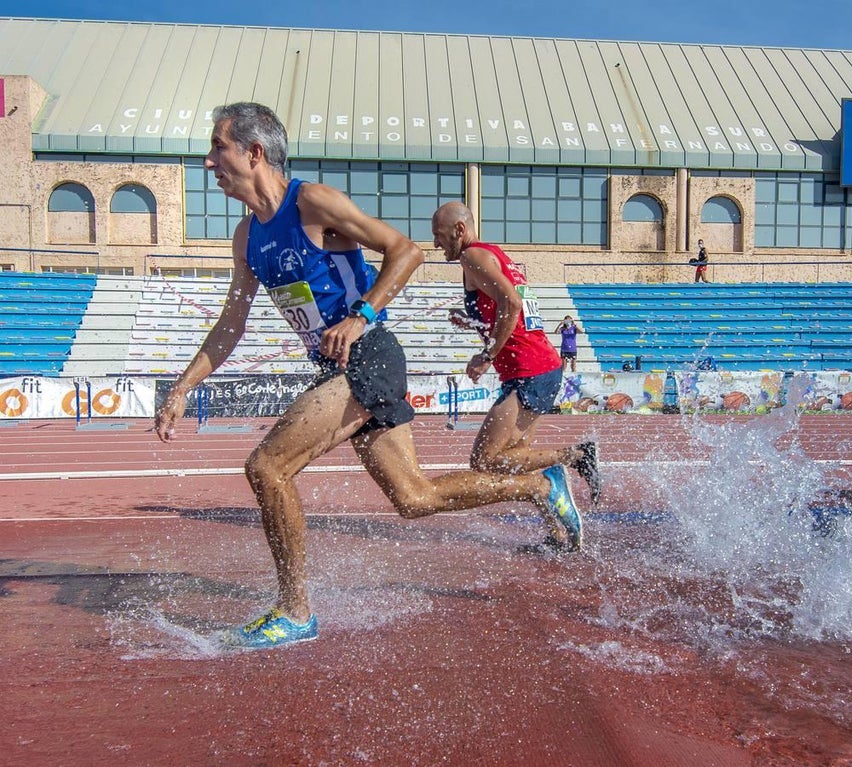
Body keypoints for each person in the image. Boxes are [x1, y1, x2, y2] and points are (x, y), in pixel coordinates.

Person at [153, 103, 583, 650]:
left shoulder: (311, 202)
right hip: (339, 368)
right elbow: (231, 322)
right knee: (415, 498)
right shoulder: (247, 237)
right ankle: (538, 486)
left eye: (218, 147)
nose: (209, 161)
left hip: (370, 356)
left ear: (253, 152)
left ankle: (294, 611)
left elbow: (407, 251)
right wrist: (185, 386)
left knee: (268, 467)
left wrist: (362, 316)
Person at [433, 202, 601, 511]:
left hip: (529, 370)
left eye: (439, 235)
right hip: (541, 366)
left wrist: (487, 354)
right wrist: (473, 321)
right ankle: (558, 531)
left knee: (484, 459)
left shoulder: (472, 257)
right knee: (515, 457)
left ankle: (577, 455)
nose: (435, 244)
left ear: (459, 229)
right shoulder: (493, 253)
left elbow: (511, 303)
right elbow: (514, 308)